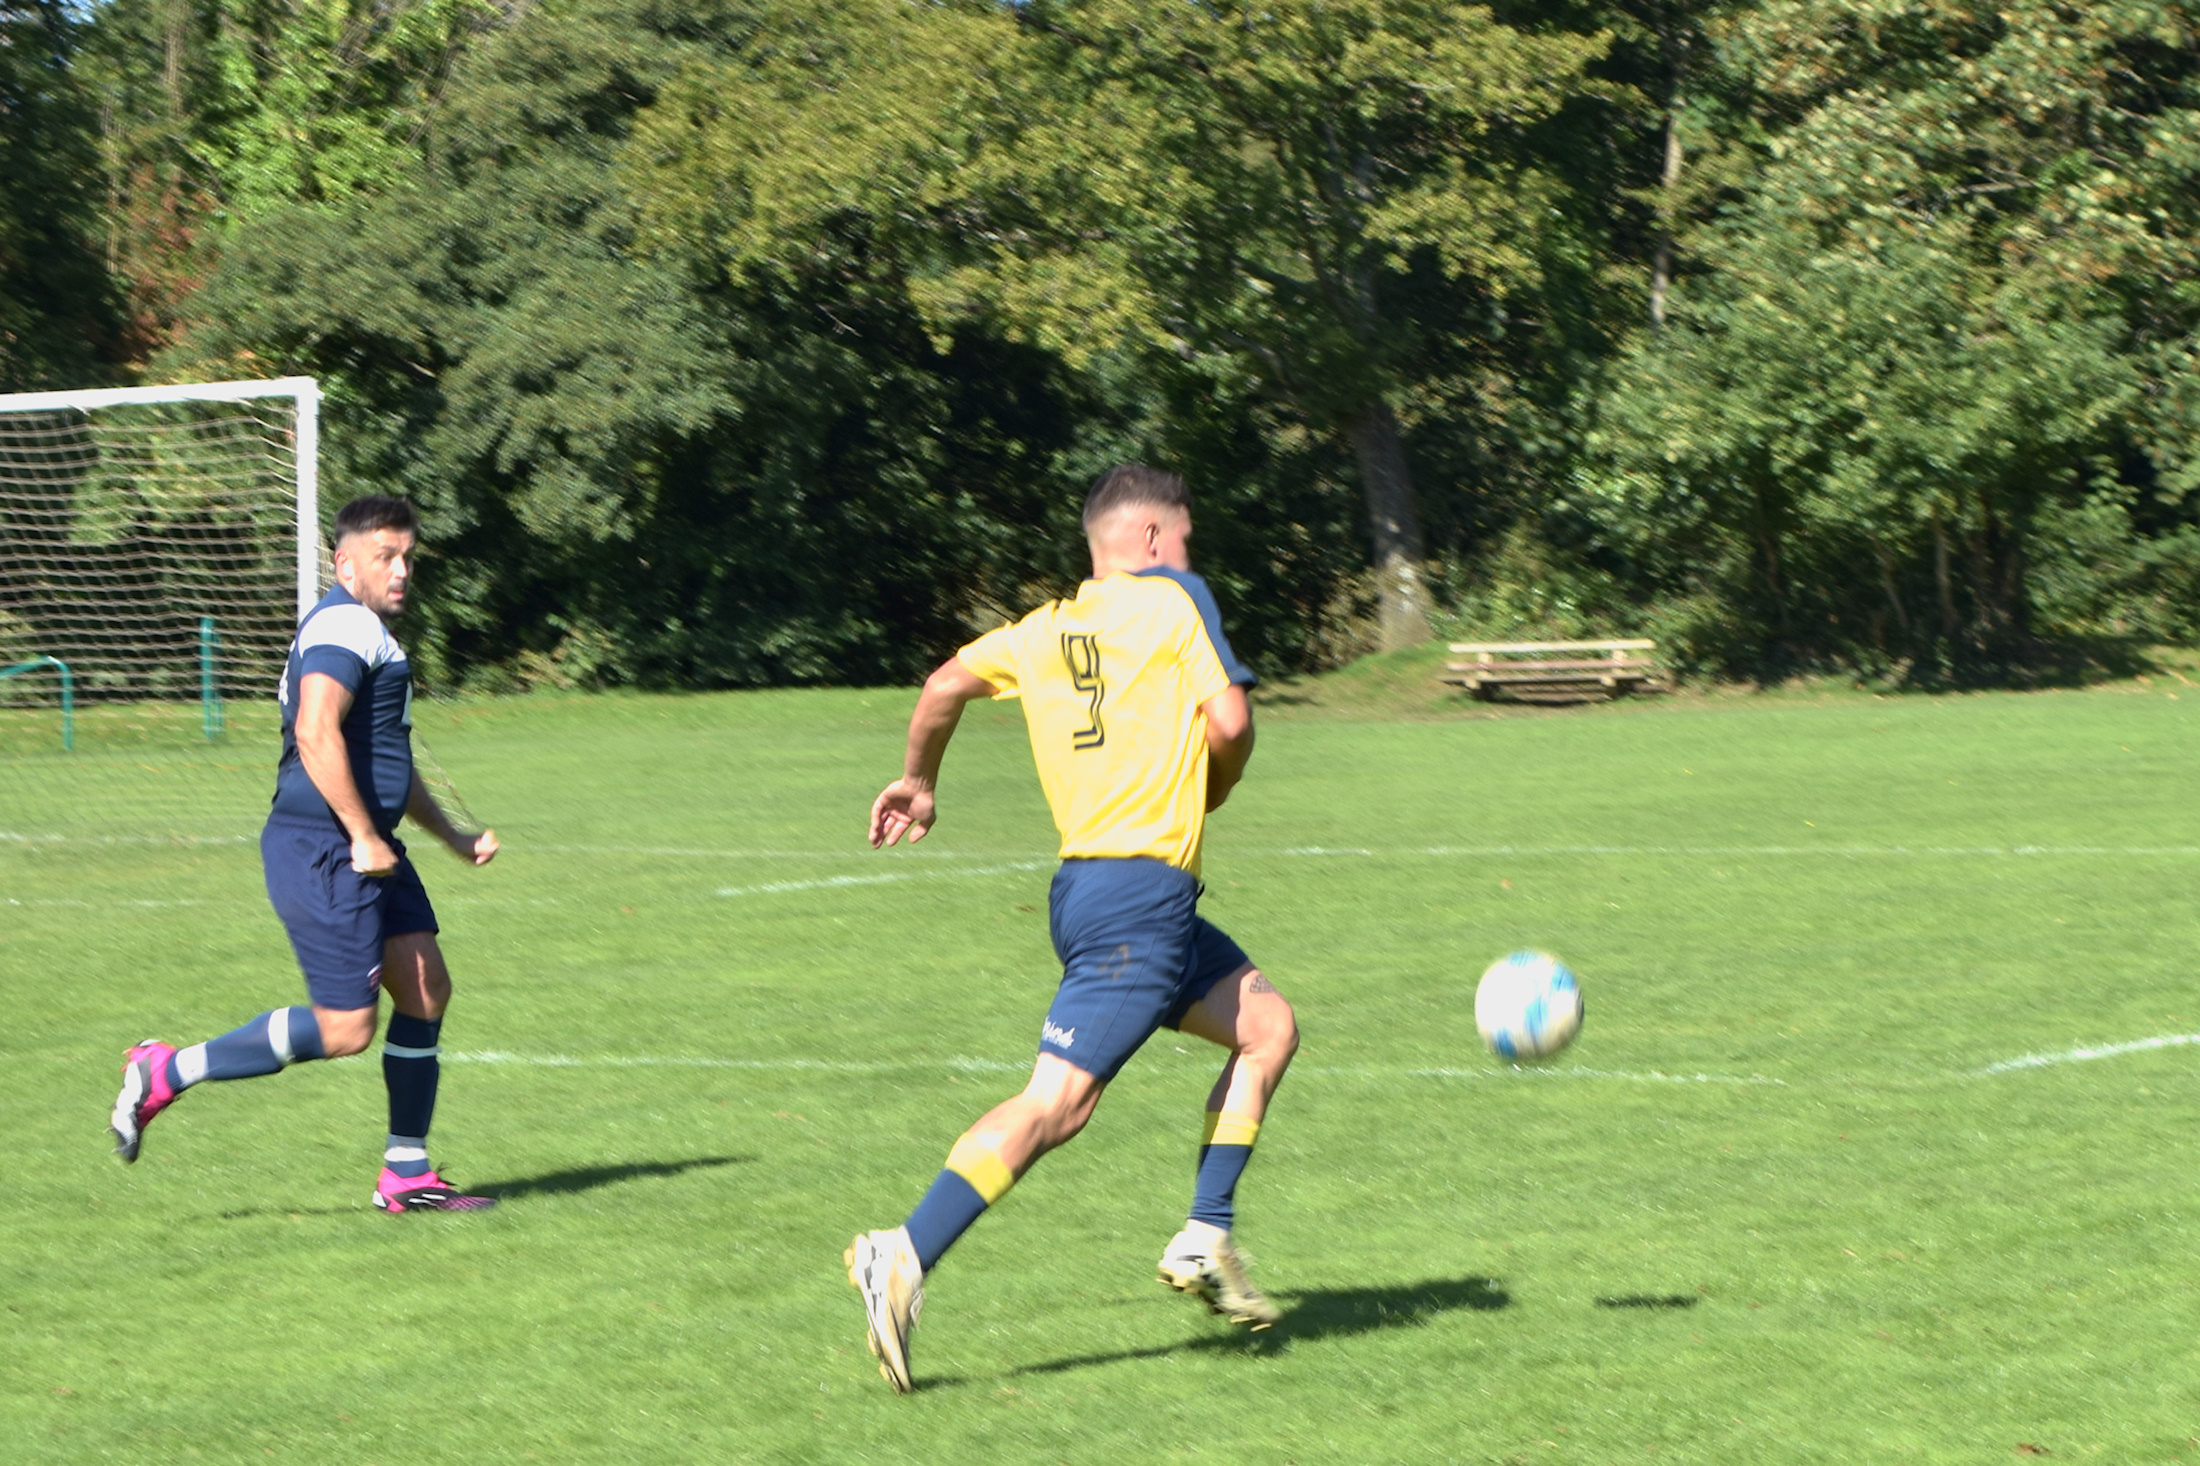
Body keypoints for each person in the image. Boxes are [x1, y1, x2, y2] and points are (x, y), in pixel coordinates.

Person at [846, 464, 1299, 1393]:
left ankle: (1208, 1234)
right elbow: (1232, 720)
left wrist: (920, 779)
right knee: (1058, 1104)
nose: (1186, 556)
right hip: (1139, 903)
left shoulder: (1040, 630)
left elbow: (940, 686)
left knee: (1267, 1026)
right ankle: (902, 1250)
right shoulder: (1176, 600)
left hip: (1101, 894)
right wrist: (1219, 781)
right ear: (1146, 542)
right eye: (1181, 539)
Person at [108, 495, 501, 1213]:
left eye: (407, 555)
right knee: (347, 1028)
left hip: (366, 844)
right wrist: (359, 835)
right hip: (325, 848)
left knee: (425, 988)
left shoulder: (367, 631)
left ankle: (406, 1176)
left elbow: (386, 761)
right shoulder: (344, 626)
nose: (402, 569)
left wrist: (449, 835)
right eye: (386, 556)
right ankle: (165, 1069)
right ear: (344, 562)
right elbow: (318, 732)